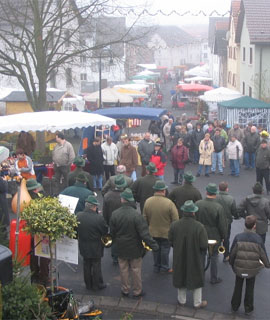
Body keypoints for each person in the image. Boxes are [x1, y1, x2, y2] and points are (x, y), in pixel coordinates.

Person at [110, 188, 158, 297]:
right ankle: (137, 291)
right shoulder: (137, 216)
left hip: (121, 246)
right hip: (135, 248)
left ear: (122, 200)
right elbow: (144, 234)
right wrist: (154, 246)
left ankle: (125, 289)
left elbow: (112, 233)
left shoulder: (115, 214)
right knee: (136, 270)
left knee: (123, 269)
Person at [169, 200, 208, 308]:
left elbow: (170, 240)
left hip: (179, 255)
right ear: (193, 213)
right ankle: (197, 302)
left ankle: (181, 301)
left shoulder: (174, 225)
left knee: (180, 275)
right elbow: (204, 245)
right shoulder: (199, 227)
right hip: (195, 257)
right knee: (197, 277)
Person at [230, 215, 270, 315]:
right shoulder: (258, 239)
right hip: (252, 269)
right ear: (254, 226)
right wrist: (267, 265)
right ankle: (248, 308)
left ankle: (234, 306)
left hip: (239, 268)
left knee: (237, 287)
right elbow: (263, 254)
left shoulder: (238, 237)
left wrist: (232, 264)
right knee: (250, 288)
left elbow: (232, 254)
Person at [143, 180, 178, 273]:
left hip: (152, 231)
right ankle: (164, 267)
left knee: (155, 249)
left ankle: (156, 266)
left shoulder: (148, 201)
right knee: (165, 250)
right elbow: (175, 219)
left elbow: (144, 218)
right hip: (166, 232)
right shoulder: (169, 203)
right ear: (164, 191)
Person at [196, 183, 227, 284]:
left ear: (206, 192)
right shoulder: (218, 207)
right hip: (214, 236)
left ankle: (200, 276)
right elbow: (222, 225)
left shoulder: (198, 204)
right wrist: (223, 236)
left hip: (200, 234)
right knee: (214, 256)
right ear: (215, 194)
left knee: (201, 255)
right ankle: (214, 278)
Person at [77, 195, 108, 291]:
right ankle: (97, 284)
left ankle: (88, 284)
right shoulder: (99, 218)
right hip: (96, 246)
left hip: (83, 245)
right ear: (94, 207)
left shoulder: (78, 216)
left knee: (86, 264)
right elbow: (104, 231)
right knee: (96, 265)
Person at [26, 178, 49, 286]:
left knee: (33, 254)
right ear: (34, 190)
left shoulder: (25, 199)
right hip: (42, 230)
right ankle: (44, 277)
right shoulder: (41, 198)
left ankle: (34, 275)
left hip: (30, 232)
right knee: (44, 254)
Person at [103, 175, 127, 264]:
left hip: (111, 220)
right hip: (124, 220)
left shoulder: (107, 195)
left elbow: (105, 211)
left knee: (114, 238)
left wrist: (106, 222)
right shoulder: (126, 195)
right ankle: (123, 254)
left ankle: (115, 257)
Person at [216, 182, 238, 262]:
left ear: (219, 188)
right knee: (226, 238)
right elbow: (234, 211)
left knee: (217, 237)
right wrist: (236, 216)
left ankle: (216, 252)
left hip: (216, 221)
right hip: (227, 222)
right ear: (227, 189)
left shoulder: (215, 197)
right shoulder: (231, 198)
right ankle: (226, 255)